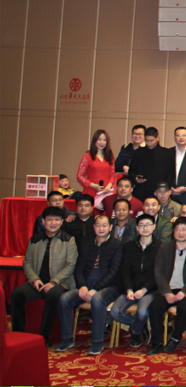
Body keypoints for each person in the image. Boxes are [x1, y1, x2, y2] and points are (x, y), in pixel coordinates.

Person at [57, 214, 123, 355]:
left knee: (97, 299)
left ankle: (97, 342)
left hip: (110, 287)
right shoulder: (87, 245)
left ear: (110, 228)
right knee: (65, 298)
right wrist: (82, 285)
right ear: (93, 227)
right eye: (98, 225)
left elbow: (114, 272)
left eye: (104, 225)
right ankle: (67, 339)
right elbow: (79, 268)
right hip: (87, 286)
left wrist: (96, 289)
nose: (101, 228)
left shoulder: (117, 245)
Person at [12, 206, 78, 347]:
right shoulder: (35, 240)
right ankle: (18, 333)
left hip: (61, 283)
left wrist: (54, 282)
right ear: (43, 221)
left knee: (53, 295)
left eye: (57, 220)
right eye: (49, 220)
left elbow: (71, 265)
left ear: (61, 222)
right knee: (17, 294)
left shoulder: (69, 240)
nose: (53, 223)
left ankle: (44, 335)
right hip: (38, 282)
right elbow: (27, 262)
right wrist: (34, 279)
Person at [147, 217, 186, 355]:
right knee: (155, 307)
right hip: (168, 289)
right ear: (173, 231)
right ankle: (156, 341)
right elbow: (158, 271)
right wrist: (167, 292)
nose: (181, 233)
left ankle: (175, 338)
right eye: (177, 229)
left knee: (185, 308)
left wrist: (185, 292)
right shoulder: (165, 247)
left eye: (184, 229)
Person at [110, 214, 160, 347]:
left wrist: (144, 290)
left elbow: (158, 273)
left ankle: (136, 332)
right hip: (131, 288)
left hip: (150, 290)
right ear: (137, 228)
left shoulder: (161, 247)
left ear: (154, 227)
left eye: (148, 225)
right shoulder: (129, 246)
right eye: (141, 225)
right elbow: (125, 270)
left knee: (142, 312)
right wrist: (129, 289)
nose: (145, 228)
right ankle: (140, 326)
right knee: (115, 312)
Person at [129, 127, 173, 202]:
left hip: (160, 191)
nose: (149, 143)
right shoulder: (138, 153)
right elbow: (131, 171)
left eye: (151, 140)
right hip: (142, 190)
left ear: (157, 138)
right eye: (146, 140)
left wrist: (165, 188)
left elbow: (171, 173)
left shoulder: (167, 153)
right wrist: (136, 178)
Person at [76, 129, 117, 201]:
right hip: (91, 189)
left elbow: (112, 175)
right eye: (99, 139)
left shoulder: (110, 156)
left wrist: (109, 186)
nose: (102, 142)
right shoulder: (87, 156)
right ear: (95, 140)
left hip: (106, 191)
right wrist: (93, 185)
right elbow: (79, 176)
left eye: (104, 140)